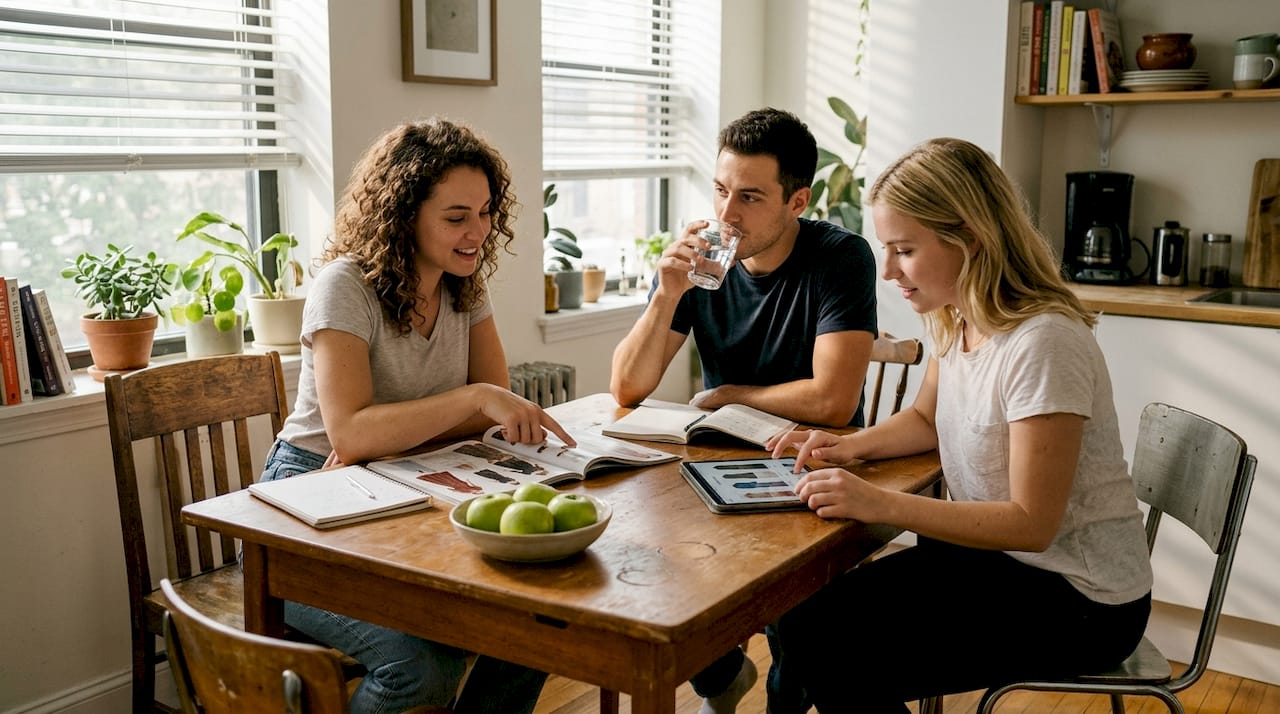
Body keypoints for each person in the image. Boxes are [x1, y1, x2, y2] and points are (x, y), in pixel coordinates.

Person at [765, 137, 1154, 712]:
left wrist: (879, 503)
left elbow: (1031, 524)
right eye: (886, 249)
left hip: (1079, 597)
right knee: (799, 615)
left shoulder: (1042, 343)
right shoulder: (960, 316)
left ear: (969, 238)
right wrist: (846, 448)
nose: (889, 269)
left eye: (904, 250)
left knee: (828, 649)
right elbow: (926, 418)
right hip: (1001, 565)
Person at [258, 117, 574, 714]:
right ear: (404, 214)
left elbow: (493, 411)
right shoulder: (343, 287)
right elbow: (350, 432)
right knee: (419, 668)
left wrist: (402, 428)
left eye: (484, 213)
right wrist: (467, 400)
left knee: (540, 622)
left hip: (399, 481)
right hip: (303, 501)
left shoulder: (463, 284)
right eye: (457, 217)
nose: (477, 231)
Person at [610, 107, 879, 713]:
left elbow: (834, 399)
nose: (727, 214)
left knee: (799, 625)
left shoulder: (842, 258)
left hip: (813, 467)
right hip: (714, 460)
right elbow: (627, 388)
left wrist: (733, 394)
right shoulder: (705, 256)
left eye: (751, 197)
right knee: (643, 558)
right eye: (721, 190)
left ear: (797, 200)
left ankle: (786, 686)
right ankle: (722, 674)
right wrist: (665, 296)